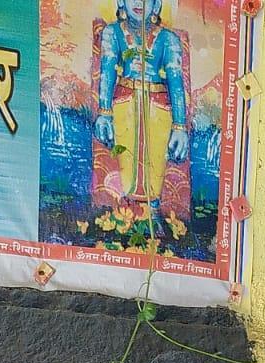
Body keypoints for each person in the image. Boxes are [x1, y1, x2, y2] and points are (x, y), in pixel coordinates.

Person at [93, 0, 188, 223]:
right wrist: (104, 113)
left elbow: (176, 83)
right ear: (120, 2)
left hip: (159, 111)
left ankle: (152, 214)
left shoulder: (168, 40)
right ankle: (129, 216)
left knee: (154, 167)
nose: (139, 3)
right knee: (126, 162)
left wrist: (180, 126)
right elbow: (107, 71)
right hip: (123, 106)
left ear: (157, 6)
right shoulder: (112, 33)